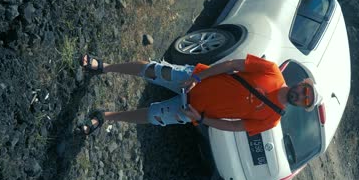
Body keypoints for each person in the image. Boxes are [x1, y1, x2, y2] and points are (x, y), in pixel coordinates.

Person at [77, 53, 320, 136]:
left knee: (151, 116)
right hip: (193, 78)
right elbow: (231, 65)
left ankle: (106, 116)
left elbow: (235, 127)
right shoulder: (272, 70)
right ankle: (104, 67)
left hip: (192, 112)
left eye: (305, 101)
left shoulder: (272, 120)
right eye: (305, 92)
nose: (301, 96)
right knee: (151, 70)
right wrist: (196, 78)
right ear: (302, 84)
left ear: (301, 106)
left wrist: (201, 120)